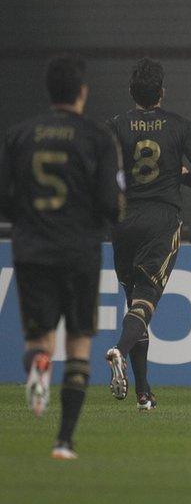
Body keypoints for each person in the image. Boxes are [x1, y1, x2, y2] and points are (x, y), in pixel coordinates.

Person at [0, 54, 124, 458]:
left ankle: (38, 364)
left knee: (40, 339)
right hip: (79, 252)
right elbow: (109, 204)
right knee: (77, 344)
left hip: (32, 249)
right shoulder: (97, 138)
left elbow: (4, 199)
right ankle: (64, 441)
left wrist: (29, 218)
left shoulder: (20, 135)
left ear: (49, 91)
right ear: (82, 92)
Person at [105, 58, 191, 410]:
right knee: (145, 303)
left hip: (124, 220)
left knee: (134, 302)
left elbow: (102, 173)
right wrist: (179, 174)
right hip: (161, 219)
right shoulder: (180, 126)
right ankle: (119, 348)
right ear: (162, 92)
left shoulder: (116, 125)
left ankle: (144, 393)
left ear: (132, 92)